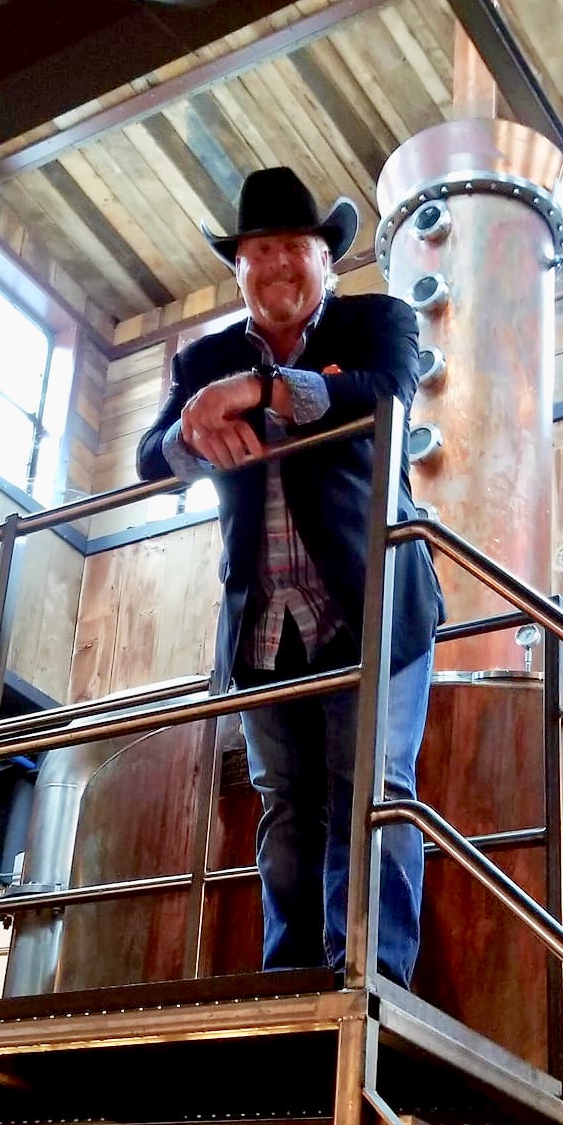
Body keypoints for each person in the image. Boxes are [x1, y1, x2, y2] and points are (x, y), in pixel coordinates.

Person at [137, 167, 443, 988]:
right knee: (286, 809)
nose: (276, 264)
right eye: (259, 250)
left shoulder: (378, 320)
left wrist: (260, 390)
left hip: (373, 607)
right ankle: (289, 981)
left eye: (293, 248)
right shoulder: (201, 357)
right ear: (238, 268)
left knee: (371, 788)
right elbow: (148, 460)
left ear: (326, 261)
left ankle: (368, 978)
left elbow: (386, 394)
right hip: (266, 625)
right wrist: (199, 424)